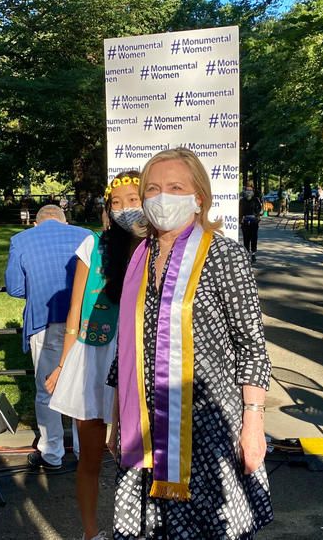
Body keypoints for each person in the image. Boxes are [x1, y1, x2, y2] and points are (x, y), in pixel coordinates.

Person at [107, 148, 273, 539]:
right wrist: (117, 418)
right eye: (153, 188)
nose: (162, 197)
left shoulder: (223, 254)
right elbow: (127, 350)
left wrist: (254, 424)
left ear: (198, 196)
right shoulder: (139, 258)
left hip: (207, 431)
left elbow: (251, 344)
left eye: (175, 187)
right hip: (146, 428)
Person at [44, 171, 144, 540]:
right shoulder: (92, 246)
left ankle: (134, 528)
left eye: (133, 200)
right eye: (116, 203)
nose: (124, 209)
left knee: (134, 457)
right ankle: (90, 532)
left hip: (137, 360)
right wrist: (63, 362)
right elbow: (74, 312)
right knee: (89, 457)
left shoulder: (159, 248)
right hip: (92, 358)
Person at [5, 204, 91, 469]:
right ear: (65, 222)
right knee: (82, 387)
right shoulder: (86, 236)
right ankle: (84, 451)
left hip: (45, 320)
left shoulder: (20, 240)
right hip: (85, 321)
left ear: (35, 223)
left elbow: (15, 286)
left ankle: (52, 453)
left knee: (46, 390)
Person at [239, 184, 263, 263]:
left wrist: (257, 217)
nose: (249, 192)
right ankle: (246, 255)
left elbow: (260, 209)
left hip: (254, 222)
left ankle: (253, 255)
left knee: (254, 238)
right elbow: (239, 211)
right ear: (245, 191)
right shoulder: (242, 200)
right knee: (246, 239)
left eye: (250, 190)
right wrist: (240, 220)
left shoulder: (256, 200)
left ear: (253, 192)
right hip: (245, 222)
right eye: (247, 190)